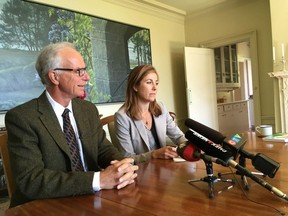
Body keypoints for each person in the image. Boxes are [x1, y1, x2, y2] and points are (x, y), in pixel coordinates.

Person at [5, 42, 138, 207]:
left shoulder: (88, 110)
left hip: (91, 200)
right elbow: (31, 180)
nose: (87, 77)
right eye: (79, 71)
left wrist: (123, 166)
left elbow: (103, 150)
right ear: (54, 76)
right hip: (44, 206)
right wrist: (98, 180)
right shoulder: (22, 118)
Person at [114, 65, 187, 164]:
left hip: (164, 168)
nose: (155, 88)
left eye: (156, 83)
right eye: (149, 82)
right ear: (135, 86)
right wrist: (153, 154)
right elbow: (127, 158)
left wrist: (190, 147)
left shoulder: (160, 107)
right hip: (142, 172)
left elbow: (178, 137)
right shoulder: (122, 117)